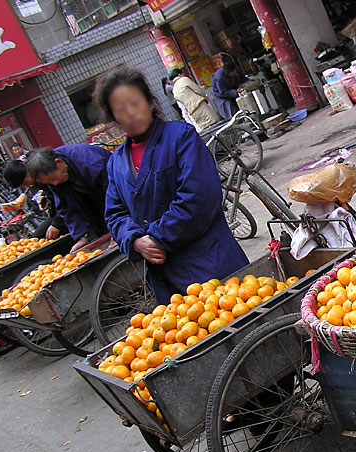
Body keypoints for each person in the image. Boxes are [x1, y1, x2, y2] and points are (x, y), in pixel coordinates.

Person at [94, 65, 249, 303]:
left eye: (135, 103)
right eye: (120, 109)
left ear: (149, 102)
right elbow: (115, 214)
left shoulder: (181, 137)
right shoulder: (116, 163)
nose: (131, 113)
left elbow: (198, 198)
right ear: (114, 118)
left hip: (210, 264)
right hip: (166, 281)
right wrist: (135, 240)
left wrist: (155, 238)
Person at [26, 146, 110, 252]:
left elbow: (114, 193)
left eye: (53, 179)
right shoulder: (55, 180)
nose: (54, 183)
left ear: (59, 162)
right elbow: (66, 207)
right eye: (49, 183)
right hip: (94, 207)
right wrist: (81, 236)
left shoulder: (89, 161)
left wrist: (118, 227)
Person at [2, 157, 67, 240]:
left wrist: (56, 224)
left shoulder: (45, 172)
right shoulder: (39, 181)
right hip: (58, 213)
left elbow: (65, 200)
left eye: (26, 183)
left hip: (68, 212)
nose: (28, 186)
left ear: (28, 172)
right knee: (36, 237)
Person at [211, 54, 246, 120]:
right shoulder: (219, 78)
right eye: (232, 73)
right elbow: (222, 92)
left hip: (234, 90)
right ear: (228, 73)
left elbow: (242, 78)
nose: (234, 73)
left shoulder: (235, 70)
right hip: (223, 97)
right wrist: (235, 91)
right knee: (233, 113)